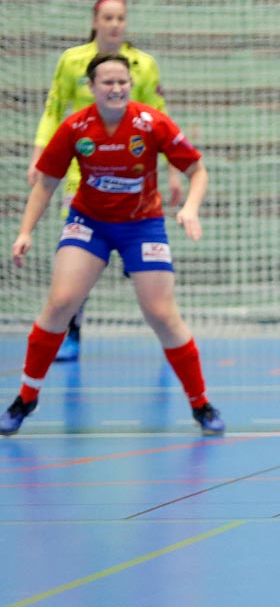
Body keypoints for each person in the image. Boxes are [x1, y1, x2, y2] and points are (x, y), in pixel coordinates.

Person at [3, 52, 223, 437]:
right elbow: (47, 182)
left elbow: (197, 169)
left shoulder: (150, 122)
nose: (117, 88)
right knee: (59, 304)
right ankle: (25, 398)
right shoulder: (75, 127)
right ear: (91, 88)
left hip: (143, 226)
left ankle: (200, 403)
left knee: (162, 314)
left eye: (122, 81)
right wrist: (25, 232)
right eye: (108, 82)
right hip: (89, 223)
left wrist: (190, 208)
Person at [29, 0, 183, 363]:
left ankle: (165, 330)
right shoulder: (72, 61)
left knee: (143, 270)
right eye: (108, 17)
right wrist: (39, 156)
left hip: (131, 180)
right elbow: (54, 109)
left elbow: (161, 122)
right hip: (81, 176)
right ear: (95, 20)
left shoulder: (143, 66)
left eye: (121, 18)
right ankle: (73, 333)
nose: (115, 24)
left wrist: (174, 172)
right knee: (77, 265)